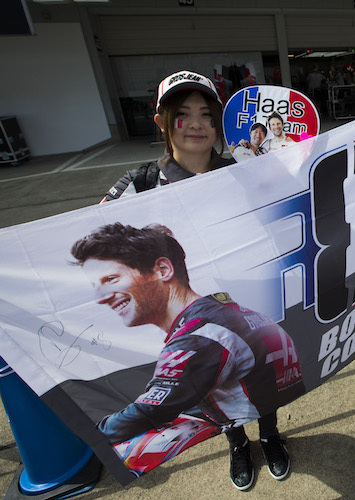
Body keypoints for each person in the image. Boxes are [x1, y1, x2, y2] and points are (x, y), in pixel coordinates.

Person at [98, 70, 296, 490]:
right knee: (211, 383)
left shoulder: (240, 169)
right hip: (189, 312)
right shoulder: (139, 183)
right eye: (182, 114)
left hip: (249, 299)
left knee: (261, 374)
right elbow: (93, 238)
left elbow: (288, 207)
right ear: (162, 122)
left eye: (206, 115)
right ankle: (237, 442)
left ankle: (271, 435)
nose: (196, 124)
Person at [71, 223, 306, 489]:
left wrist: (86, 435)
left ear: (162, 270)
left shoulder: (197, 339)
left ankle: (264, 440)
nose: (100, 297)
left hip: (256, 397)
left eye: (111, 279)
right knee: (224, 393)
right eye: (96, 285)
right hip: (250, 395)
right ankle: (248, 442)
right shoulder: (217, 306)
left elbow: (150, 410)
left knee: (235, 396)